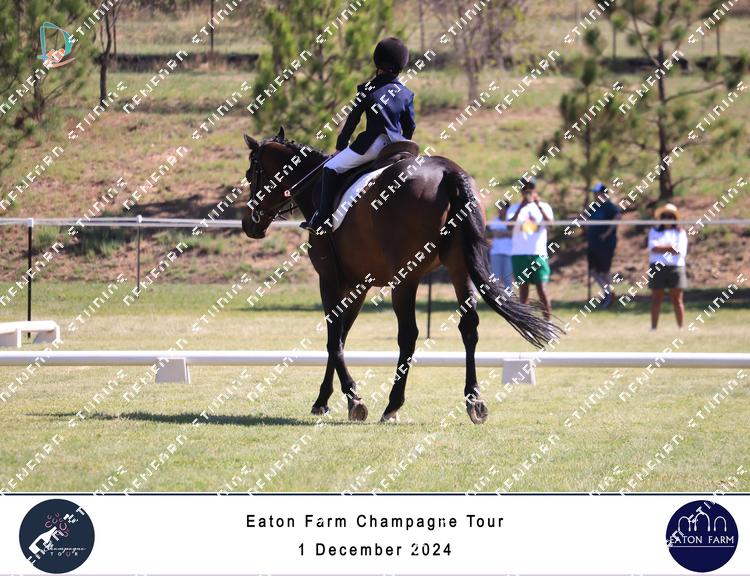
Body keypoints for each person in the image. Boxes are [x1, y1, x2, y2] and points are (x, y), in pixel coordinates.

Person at [301, 37, 416, 234]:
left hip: (372, 145)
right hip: (396, 148)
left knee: (330, 167)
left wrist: (340, 146)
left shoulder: (367, 89)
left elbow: (352, 121)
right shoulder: (406, 93)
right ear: (400, 66)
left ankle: (322, 218)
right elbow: (410, 126)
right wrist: (402, 145)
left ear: (377, 63)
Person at [507, 177, 554, 320]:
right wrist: (521, 207)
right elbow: (509, 226)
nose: (528, 191)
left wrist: (538, 205)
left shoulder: (544, 206)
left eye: (530, 188)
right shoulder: (514, 208)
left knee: (542, 290)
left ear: (535, 190)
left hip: (538, 254)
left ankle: (548, 324)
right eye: (525, 188)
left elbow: (551, 224)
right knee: (523, 292)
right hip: (519, 254)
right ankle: (526, 323)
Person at [647, 203, 688, 330]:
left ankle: (680, 328)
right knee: (656, 299)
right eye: (664, 216)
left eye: (670, 216)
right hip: (657, 267)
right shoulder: (654, 231)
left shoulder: (680, 233)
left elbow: (679, 250)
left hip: (675, 268)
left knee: (677, 300)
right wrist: (670, 247)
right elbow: (653, 248)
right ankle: (653, 328)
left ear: (674, 218)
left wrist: (662, 248)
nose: (667, 218)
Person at [585, 182, 621, 308]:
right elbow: (587, 219)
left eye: (597, 193)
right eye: (594, 193)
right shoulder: (593, 207)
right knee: (593, 270)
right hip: (593, 243)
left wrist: (607, 233)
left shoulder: (609, 206)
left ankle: (608, 295)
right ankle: (608, 292)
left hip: (605, 244)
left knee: (605, 271)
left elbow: (618, 216)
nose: (595, 195)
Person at [487, 201, 514, 289]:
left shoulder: (511, 221)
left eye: (502, 208)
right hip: (496, 253)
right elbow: (496, 234)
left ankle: (508, 296)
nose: (499, 210)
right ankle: (497, 296)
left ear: (507, 209)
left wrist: (502, 233)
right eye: (498, 208)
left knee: (508, 278)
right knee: (496, 278)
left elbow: (513, 234)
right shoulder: (495, 220)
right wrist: (507, 233)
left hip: (509, 253)